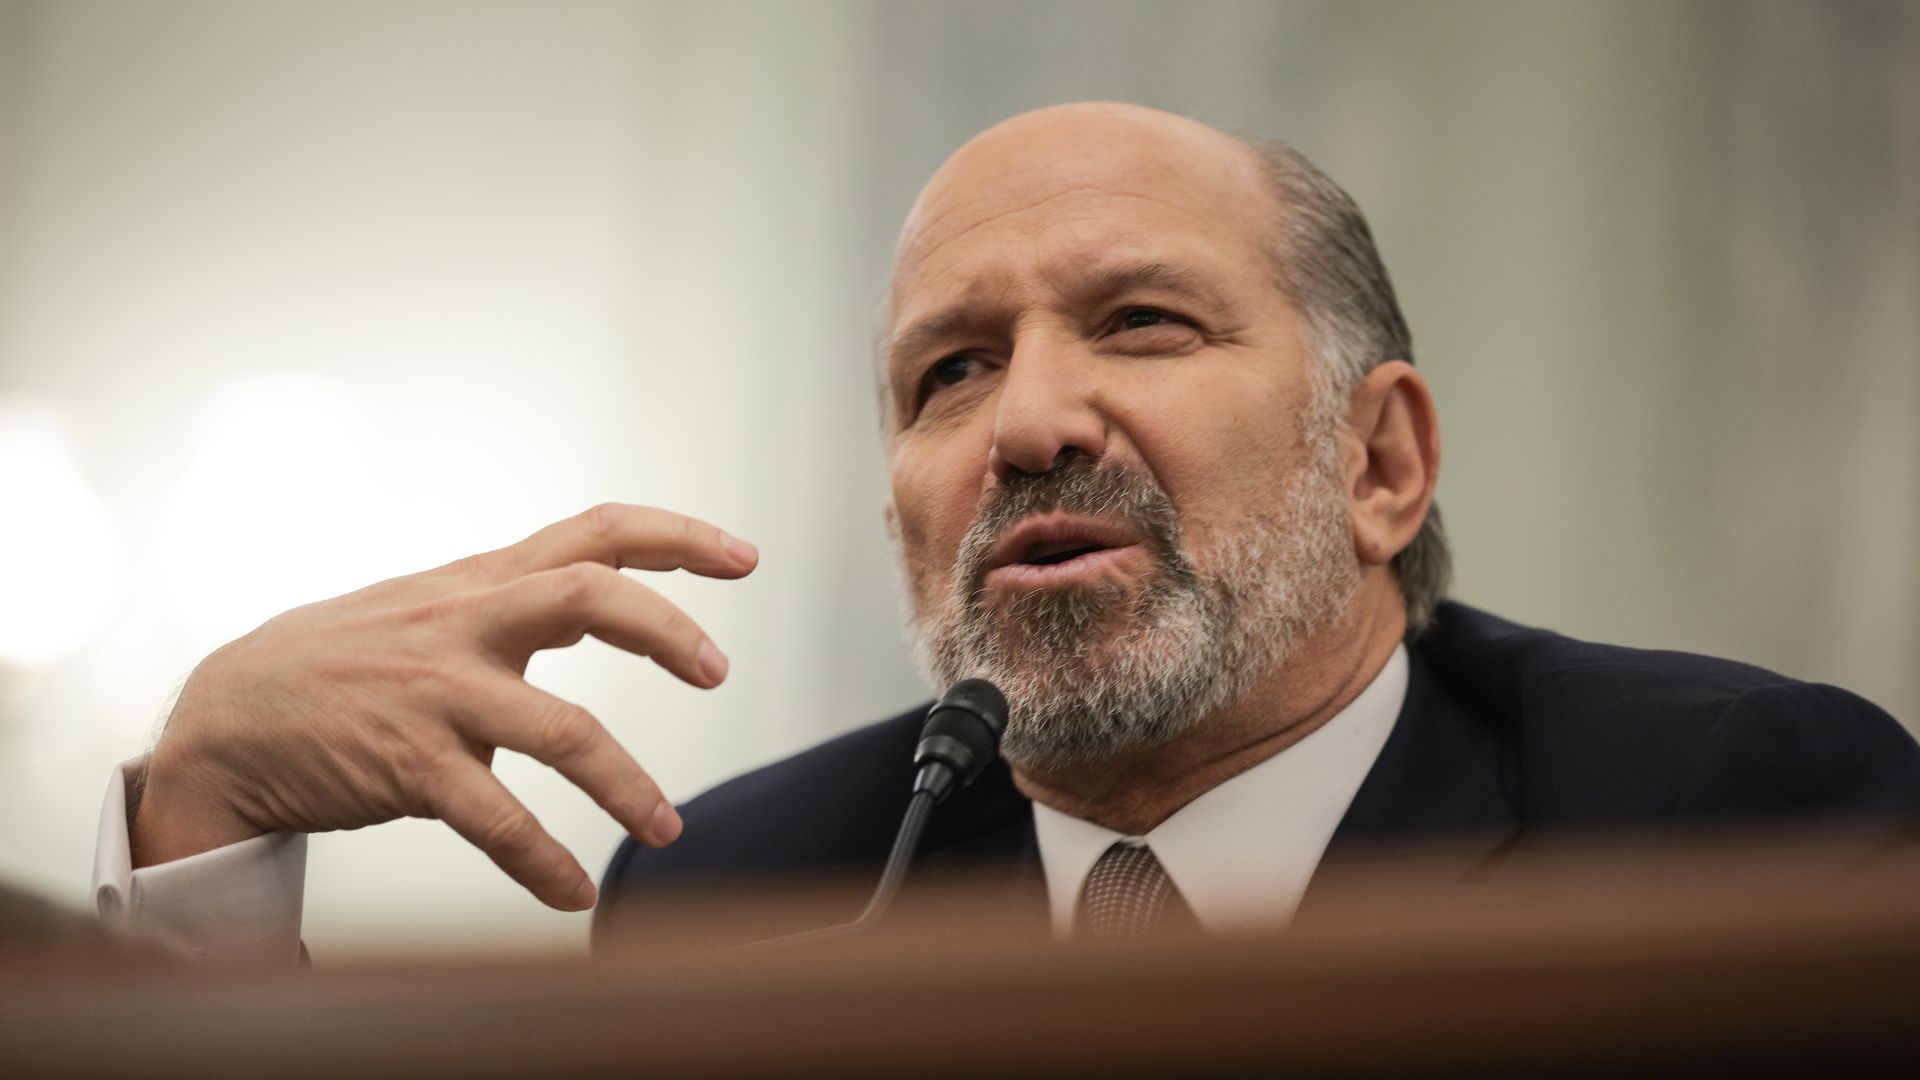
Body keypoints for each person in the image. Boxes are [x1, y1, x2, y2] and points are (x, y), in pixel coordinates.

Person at [93, 103, 1920, 961]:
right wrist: (204, 844)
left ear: (1383, 461)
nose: (1030, 422)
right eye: (949, 372)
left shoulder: (1734, 816)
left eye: (1140, 323)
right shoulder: (751, 899)